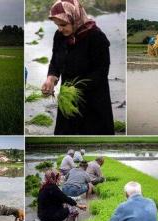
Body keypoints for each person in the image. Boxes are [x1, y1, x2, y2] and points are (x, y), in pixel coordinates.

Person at [41, 0, 114, 135]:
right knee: (65, 133)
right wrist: (51, 78)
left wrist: (75, 88)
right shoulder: (60, 36)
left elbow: (101, 71)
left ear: (75, 17)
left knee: (93, 133)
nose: (60, 29)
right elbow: (55, 62)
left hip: (93, 101)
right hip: (68, 101)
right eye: (57, 25)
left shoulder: (96, 37)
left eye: (63, 24)